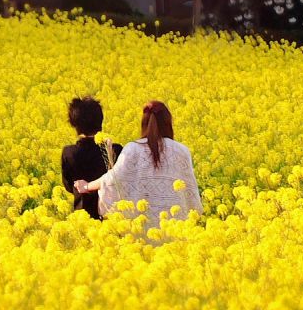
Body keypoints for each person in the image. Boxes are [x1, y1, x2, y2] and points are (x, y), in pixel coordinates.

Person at [74, 100, 202, 227]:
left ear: (143, 124)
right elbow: (190, 193)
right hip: (176, 228)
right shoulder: (182, 151)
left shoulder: (132, 149)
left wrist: (87, 186)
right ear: (168, 123)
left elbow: (113, 180)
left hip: (141, 231)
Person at [61, 96, 122, 219]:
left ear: (74, 123)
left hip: (83, 218)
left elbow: (69, 186)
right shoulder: (114, 150)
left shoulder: (69, 153)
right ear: (100, 121)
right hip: (113, 218)